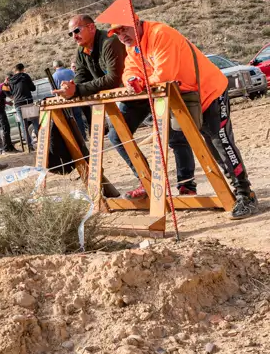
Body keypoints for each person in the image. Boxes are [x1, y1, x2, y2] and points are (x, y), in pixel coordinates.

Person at [108, 18, 257, 219]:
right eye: (117, 33)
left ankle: (246, 195)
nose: (122, 36)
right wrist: (132, 80)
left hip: (209, 92)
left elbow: (164, 74)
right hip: (186, 97)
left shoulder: (161, 33)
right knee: (200, 143)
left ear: (137, 22)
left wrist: (141, 84)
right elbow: (131, 69)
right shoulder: (134, 46)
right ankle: (218, 190)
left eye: (124, 29)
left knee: (220, 143)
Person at [56, 14, 129, 138]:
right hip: (119, 97)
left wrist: (77, 89)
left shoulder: (109, 42)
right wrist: (69, 88)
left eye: (77, 31)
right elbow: (81, 76)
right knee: (117, 138)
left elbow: (114, 79)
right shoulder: (81, 51)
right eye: (71, 34)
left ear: (91, 27)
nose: (74, 36)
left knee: (116, 137)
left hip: (135, 91)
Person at [8, 63, 37, 149]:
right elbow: (33, 88)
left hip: (18, 103)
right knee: (35, 122)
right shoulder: (25, 76)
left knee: (23, 125)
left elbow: (10, 93)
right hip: (27, 101)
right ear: (23, 69)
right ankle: (41, 141)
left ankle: (29, 145)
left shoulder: (10, 80)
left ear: (15, 70)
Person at [0, 81, 17, 152]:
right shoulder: (4, 86)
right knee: (5, 128)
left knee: (6, 127)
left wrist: (7, 102)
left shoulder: (0, 86)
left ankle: (9, 146)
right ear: (7, 80)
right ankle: (6, 148)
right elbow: (11, 96)